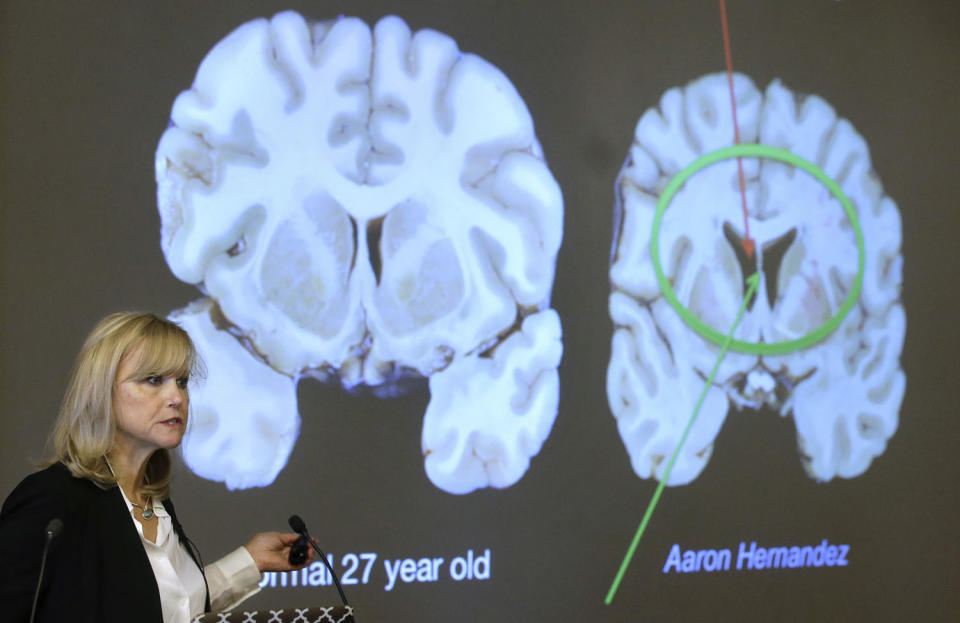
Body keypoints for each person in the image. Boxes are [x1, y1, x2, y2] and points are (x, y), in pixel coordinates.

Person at [0, 312, 311, 622]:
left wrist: (250, 561)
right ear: (101, 391)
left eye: (182, 381)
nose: (176, 397)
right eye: (153, 380)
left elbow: (168, 608)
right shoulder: (53, 500)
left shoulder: (154, 502)